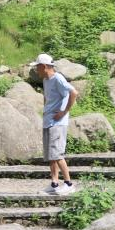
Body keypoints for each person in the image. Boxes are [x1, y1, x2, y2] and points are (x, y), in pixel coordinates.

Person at [36, 53, 79, 196]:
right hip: (48, 121)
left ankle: (68, 184)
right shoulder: (46, 80)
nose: (37, 70)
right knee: (51, 155)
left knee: (57, 154)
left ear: (44, 66)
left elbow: (73, 92)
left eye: (38, 67)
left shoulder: (58, 78)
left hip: (58, 123)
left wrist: (64, 111)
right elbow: (47, 98)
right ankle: (54, 183)